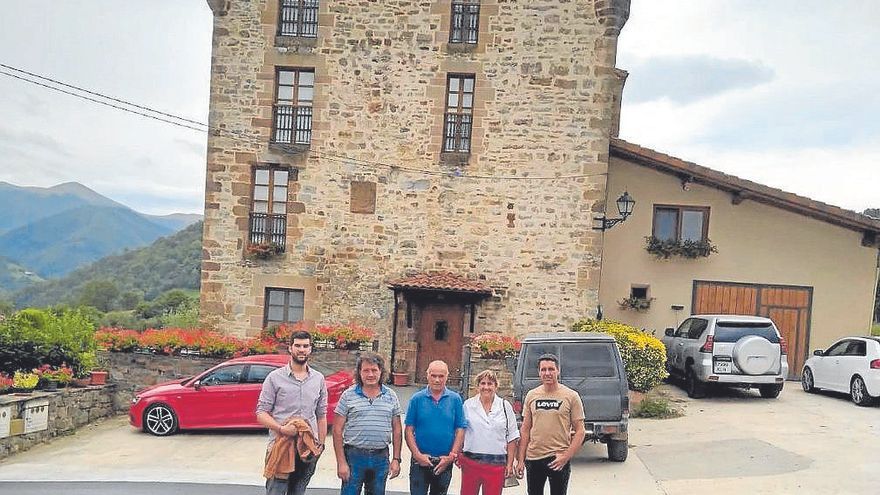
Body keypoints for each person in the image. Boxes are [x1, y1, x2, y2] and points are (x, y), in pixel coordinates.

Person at [257, 330, 328, 495]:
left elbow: (321, 415)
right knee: (276, 491)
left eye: (305, 346)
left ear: (310, 349)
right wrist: (281, 429)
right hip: (280, 446)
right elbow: (261, 413)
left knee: (299, 491)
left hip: (307, 449)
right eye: (297, 345)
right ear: (290, 348)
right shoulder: (274, 378)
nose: (301, 350)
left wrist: (320, 445)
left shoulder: (318, 379)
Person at [333, 352, 403, 495]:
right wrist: (341, 462)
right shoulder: (348, 395)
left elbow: (397, 429)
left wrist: (396, 459)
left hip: (381, 458)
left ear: (381, 372)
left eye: (374, 370)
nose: (370, 374)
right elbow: (337, 430)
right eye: (366, 370)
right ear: (359, 372)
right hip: (353, 456)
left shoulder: (391, 396)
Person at [516, 353, 586, 495]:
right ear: (539, 372)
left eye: (551, 369)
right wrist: (520, 460)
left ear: (558, 371)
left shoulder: (571, 396)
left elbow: (580, 431)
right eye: (543, 370)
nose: (547, 373)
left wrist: (566, 456)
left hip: (558, 458)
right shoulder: (531, 395)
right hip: (534, 458)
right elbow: (525, 429)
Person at [404, 360, 467, 495]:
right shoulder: (416, 399)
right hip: (419, 463)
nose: (437, 380)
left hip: (444, 462)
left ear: (447, 376)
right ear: (427, 375)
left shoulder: (455, 399)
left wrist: (452, 456)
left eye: (441, 376)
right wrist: (417, 455)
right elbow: (409, 430)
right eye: (433, 375)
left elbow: (460, 430)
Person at [458, 369, 520, 495]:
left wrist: (510, 464)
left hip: (496, 465)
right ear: (477, 386)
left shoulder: (505, 406)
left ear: (496, 386)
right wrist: (457, 454)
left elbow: (512, 437)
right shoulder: (468, 405)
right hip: (471, 463)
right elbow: (460, 431)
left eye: (490, 384)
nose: (486, 387)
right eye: (483, 383)